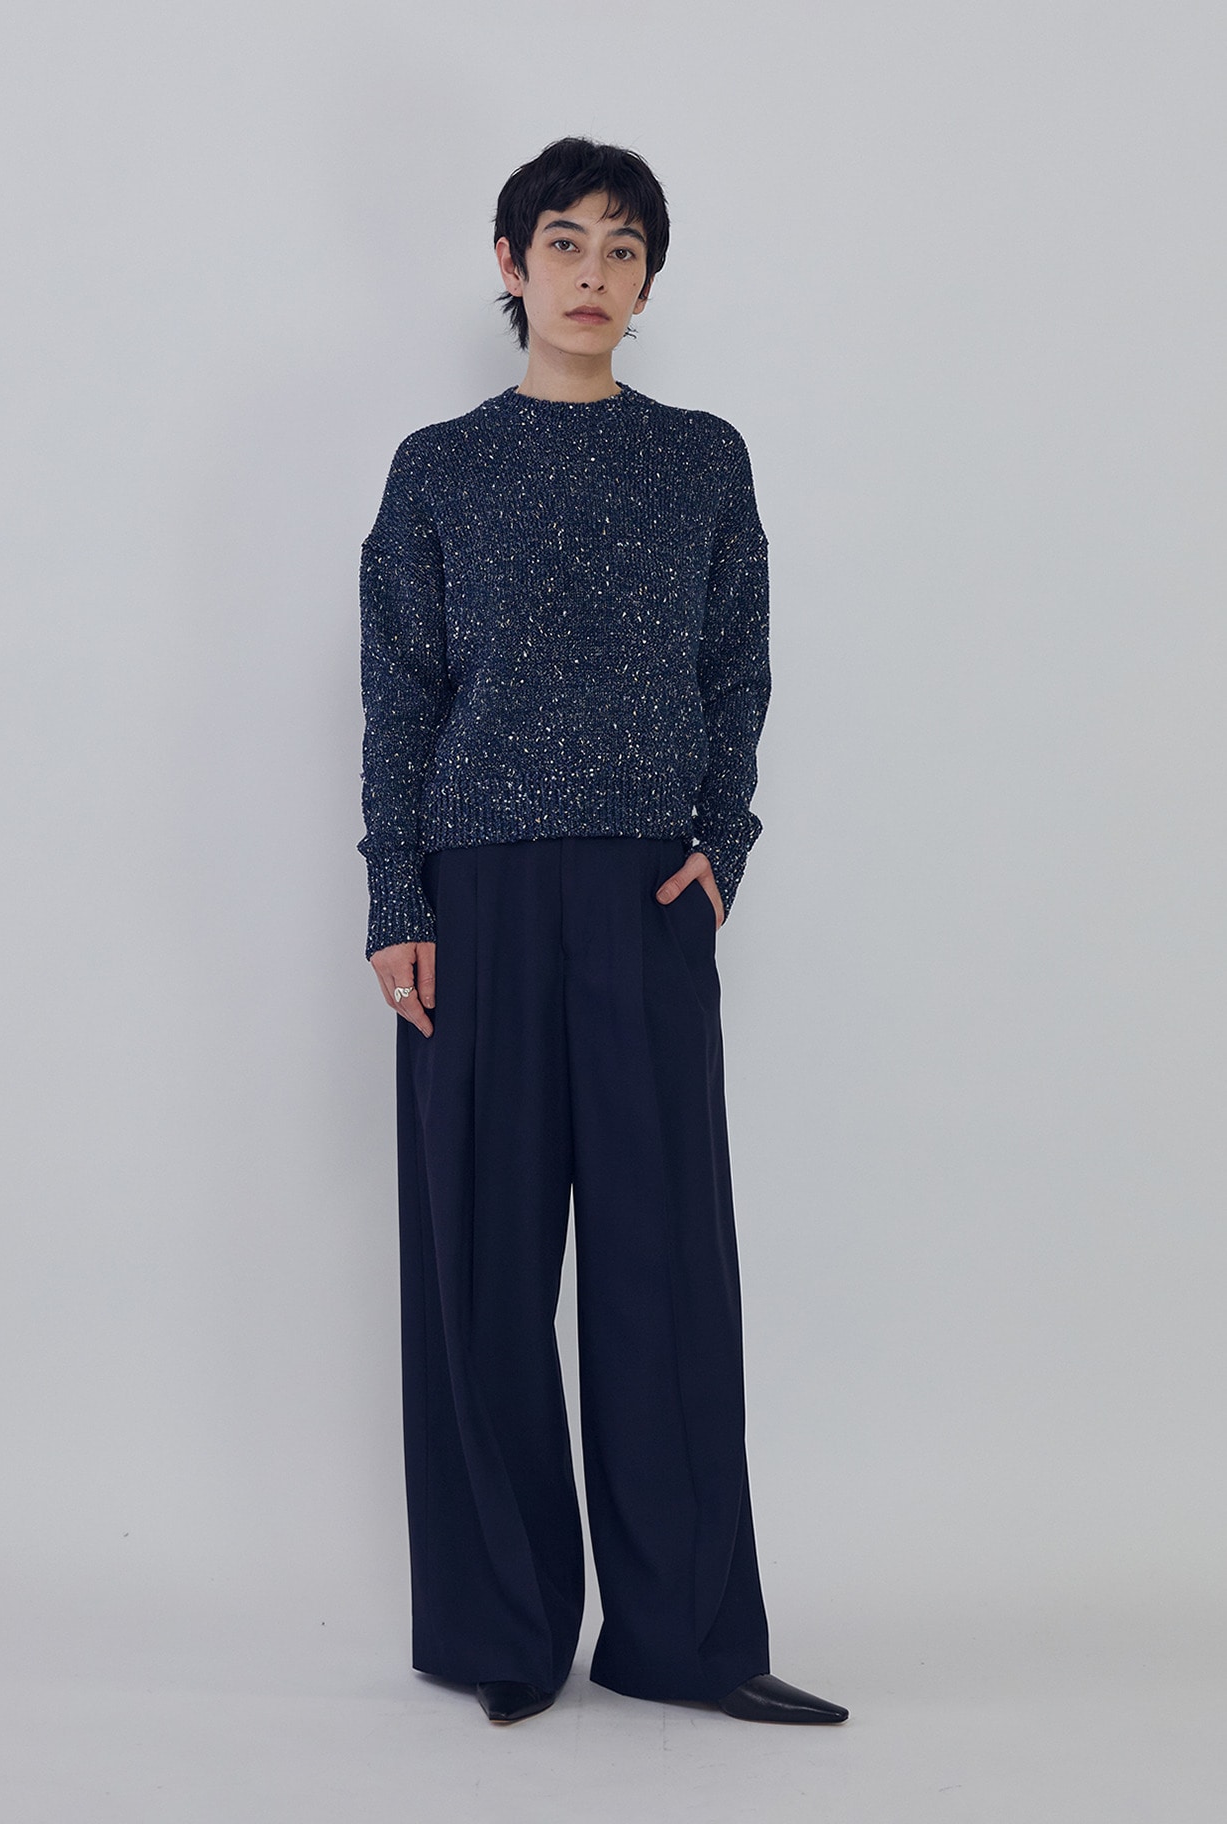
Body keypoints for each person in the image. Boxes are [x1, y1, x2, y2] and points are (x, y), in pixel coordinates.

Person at [357, 135, 849, 1729]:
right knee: (484, 1271)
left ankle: (687, 1639)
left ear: (648, 280)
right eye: (563, 242)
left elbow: (736, 667)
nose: (592, 273)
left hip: (648, 895)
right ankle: (502, 1633)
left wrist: (724, 843)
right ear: (511, 265)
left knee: (666, 1267)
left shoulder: (700, 459)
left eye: (622, 249)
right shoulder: (439, 468)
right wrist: (396, 902)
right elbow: (399, 694)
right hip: (479, 896)